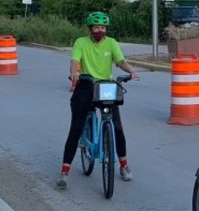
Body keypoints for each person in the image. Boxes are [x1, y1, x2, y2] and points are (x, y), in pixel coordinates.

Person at [57, 12, 140, 189]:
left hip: (106, 87)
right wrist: (74, 71)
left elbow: (120, 61)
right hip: (86, 84)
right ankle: (65, 170)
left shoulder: (111, 43)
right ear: (90, 29)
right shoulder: (81, 42)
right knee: (76, 128)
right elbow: (74, 60)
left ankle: (124, 166)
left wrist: (131, 71)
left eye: (102, 27)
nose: (99, 30)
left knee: (116, 126)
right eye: (96, 27)